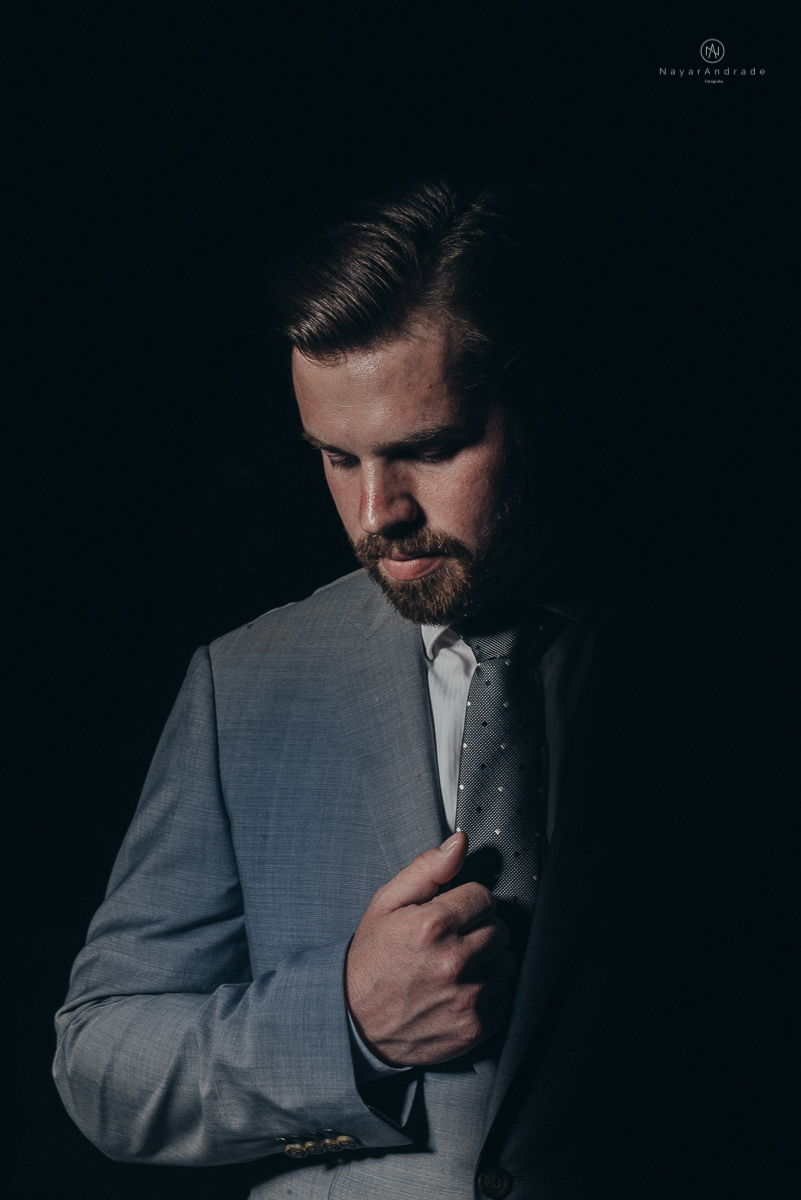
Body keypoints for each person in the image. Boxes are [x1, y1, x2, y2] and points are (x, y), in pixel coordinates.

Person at [53, 179, 787, 1199]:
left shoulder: (742, 665)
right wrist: (347, 1026)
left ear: (547, 407)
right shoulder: (245, 686)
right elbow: (102, 1064)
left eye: (429, 450)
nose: (374, 512)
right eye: (335, 457)